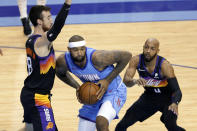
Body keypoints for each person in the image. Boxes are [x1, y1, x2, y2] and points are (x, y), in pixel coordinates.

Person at [55, 35, 132, 131]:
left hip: (114, 91)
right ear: (69, 49)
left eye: (82, 49)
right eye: (75, 50)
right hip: (93, 94)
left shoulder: (97, 58)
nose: (79, 53)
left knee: (101, 122)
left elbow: (127, 55)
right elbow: (60, 72)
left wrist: (107, 80)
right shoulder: (63, 61)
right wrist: (77, 86)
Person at [20, 0, 72, 130]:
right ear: (39, 21)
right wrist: (67, 4)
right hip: (38, 98)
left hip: (28, 94)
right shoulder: (41, 42)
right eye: (48, 17)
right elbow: (57, 28)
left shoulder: (30, 40)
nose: (51, 20)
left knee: (30, 129)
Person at [115, 38, 185, 131]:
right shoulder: (136, 60)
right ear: (143, 48)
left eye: (152, 48)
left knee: (170, 125)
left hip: (168, 99)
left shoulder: (165, 65)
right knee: (121, 125)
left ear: (157, 51)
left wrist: (175, 103)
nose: (148, 51)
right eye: (146, 47)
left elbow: (177, 90)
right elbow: (126, 81)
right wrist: (134, 81)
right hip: (149, 97)